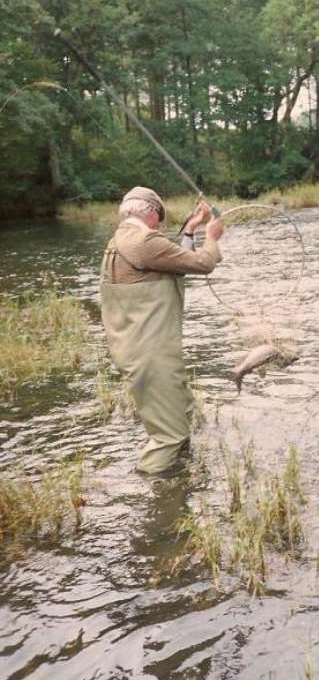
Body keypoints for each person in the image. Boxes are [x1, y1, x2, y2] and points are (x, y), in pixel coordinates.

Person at [99, 186, 224, 475]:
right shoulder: (145, 241)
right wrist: (212, 236)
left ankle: (182, 476)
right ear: (153, 214)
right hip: (151, 355)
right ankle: (156, 492)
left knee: (182, 413)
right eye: (161, 217)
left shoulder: (121, 240)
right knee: (170, 436)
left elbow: (174, 263)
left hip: (142, 351)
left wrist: (192, 228)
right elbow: (203, 264)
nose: (160, 223)